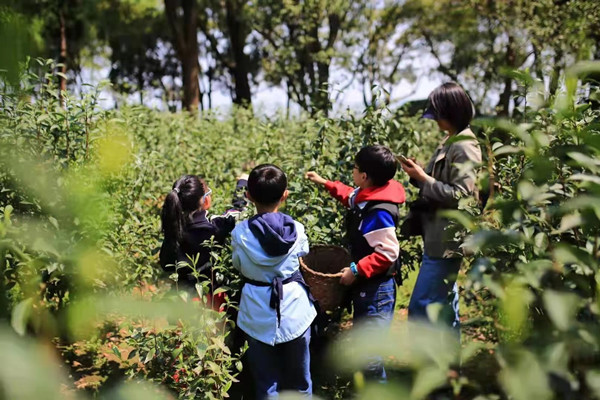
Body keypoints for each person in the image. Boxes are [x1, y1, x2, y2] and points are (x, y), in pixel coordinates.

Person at [305, 145, 405, 381]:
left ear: (365, 176)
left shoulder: (377, 212)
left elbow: (388, 252)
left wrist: (356, 270)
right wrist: (324, 182)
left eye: (355, 168)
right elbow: (349, 196)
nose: (352, 171)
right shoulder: (370, 194)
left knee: (370, 354)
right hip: (369, 288)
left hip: (378, 290)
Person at [399, 82, 482, 329]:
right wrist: (417, 175)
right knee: (446, 305)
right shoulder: (449, 140)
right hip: (436, 235)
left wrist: (424, 179)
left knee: (421, 305)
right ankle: (448, 365)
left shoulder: (465, 146)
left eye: (439, 115)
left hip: (448, 241)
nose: (436, 121)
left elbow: (461, 195)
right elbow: (437, 181)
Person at [231, 164, 316, 399]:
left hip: (256, 310)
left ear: (248, 196)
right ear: (285, 195)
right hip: (295, 308)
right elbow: (303, 255)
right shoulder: (297, 230)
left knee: (266, 382)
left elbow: (238, 264)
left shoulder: (240, 233)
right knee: (300, 380)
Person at [159, 174, 247, 309]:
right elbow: (238, 212)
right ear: (205, 201)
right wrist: (242, 184)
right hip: (209, 298)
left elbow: (165, 264)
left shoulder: (173, 226)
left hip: (180, 299)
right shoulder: (213, 226)